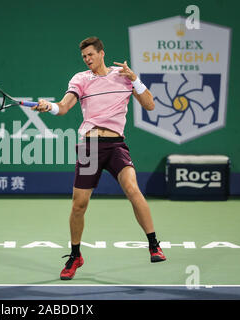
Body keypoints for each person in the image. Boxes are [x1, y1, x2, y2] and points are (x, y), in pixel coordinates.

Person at [32, 36, 166, 280]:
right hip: (90, 146)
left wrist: (135, 79)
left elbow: (150, 105)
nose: (87, 59)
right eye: (84, 56)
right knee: (79, 204)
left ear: (102, 53)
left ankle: (154, 244)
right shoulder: (81, 79)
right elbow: (63, 107)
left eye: (91, 55)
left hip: (116, 145)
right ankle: (75, 255)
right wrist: (47, 106)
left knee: (133, 190)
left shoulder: (123, 76)